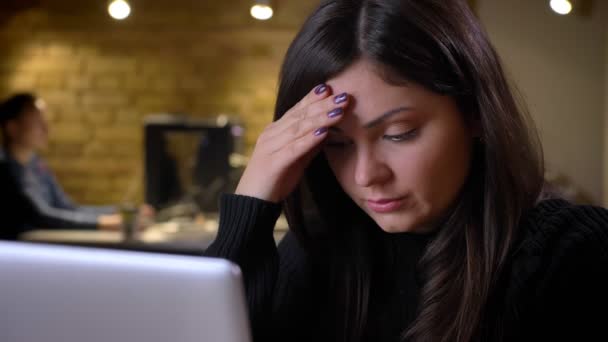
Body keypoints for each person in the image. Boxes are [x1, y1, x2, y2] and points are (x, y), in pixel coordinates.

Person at [204, 0, 608, 341]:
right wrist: (252, 202)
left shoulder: (572, 253)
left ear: (475, 114)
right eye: (336, 144)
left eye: (399, 133)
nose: (365, 176)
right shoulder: (317, 252)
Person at [0, 93, 139, 238]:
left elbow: (67, 207)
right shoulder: (5, 170)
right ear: (12, 127)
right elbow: (41, 217)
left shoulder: (37, 165)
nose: (46, 129)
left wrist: (118, 212)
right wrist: (106, 223)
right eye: (37, 122)